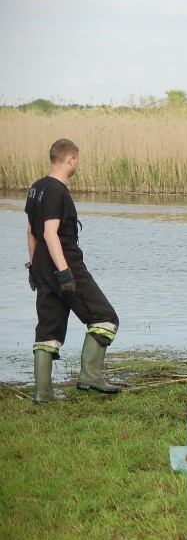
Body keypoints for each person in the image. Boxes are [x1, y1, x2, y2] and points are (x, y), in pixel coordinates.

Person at [25, 139, 121, 403]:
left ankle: (43, 393)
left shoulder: (37, 188)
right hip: (64, 263)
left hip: (42, 267)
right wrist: (65, 273)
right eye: (77, 160)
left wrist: (34, 268)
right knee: (105, 318)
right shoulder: (56, 190)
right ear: (71, 159)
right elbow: (49, 233)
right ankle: (90, 376)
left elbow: (31, 233)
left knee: (49, 328)